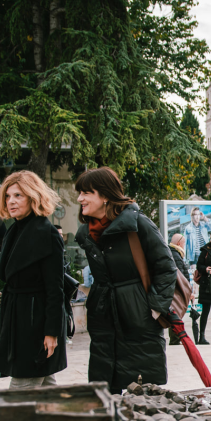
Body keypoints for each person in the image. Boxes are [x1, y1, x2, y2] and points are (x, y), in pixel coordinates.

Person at [74, 167, 176, 394]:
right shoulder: (87, 233)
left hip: (138, 315)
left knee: (142, 394)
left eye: (86, 192)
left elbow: (167, 267)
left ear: (106, 195)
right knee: (105, 390)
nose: (80, 198)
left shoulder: (138, 224)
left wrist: (156, 307)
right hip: (102, 316)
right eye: (79, 192)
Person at [0, 171, 68, 388]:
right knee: (45, 385)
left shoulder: (47, 233)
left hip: (36, 320)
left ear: (32, 198)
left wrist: (52, 331)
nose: (11, 201)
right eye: (8, 196)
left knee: (22, 388)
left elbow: (55, 288)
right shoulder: (14, 229)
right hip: (19, 316)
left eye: (18, 195)